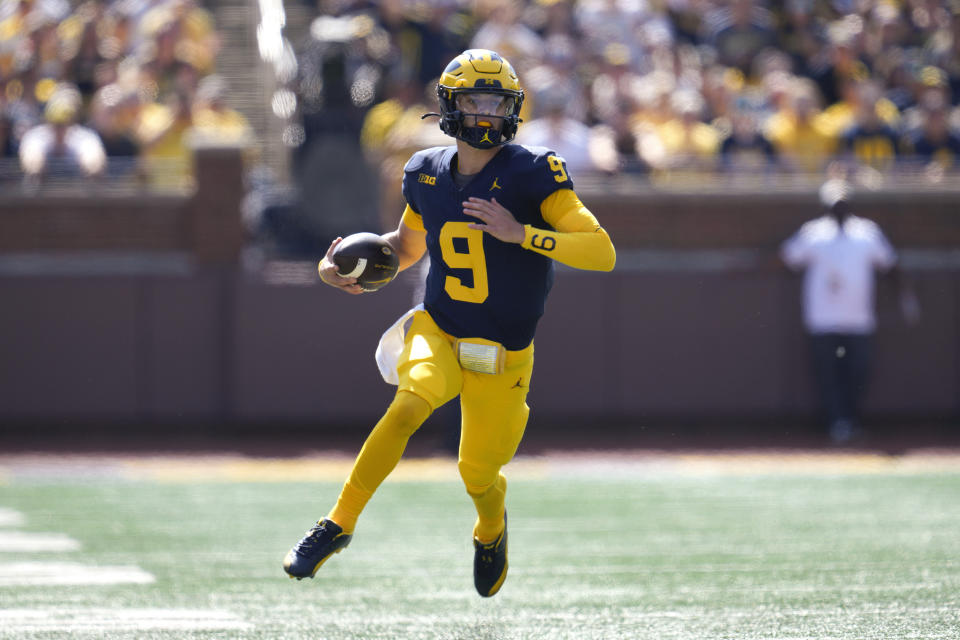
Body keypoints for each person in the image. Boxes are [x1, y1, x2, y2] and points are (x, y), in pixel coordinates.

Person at [283, 49, 616, 597]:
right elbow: (406, 248)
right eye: (474, 100)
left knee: (478, 474)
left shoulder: (534, 173)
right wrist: (345, 266)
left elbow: (600, 251)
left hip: (504, 351)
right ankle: (336, 524)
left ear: (511, 108)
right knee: (410, 403)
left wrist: (522, 234)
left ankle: (490, 529)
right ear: (450, 106)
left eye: (495, 101)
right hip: (439, 327)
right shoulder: (426, 172)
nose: (485, 113)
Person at [780, 179, 915, 444]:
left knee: (858, 373)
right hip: (823, 320)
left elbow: (890, 265)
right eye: (834, 201)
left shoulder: (867, 232)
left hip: (859, 319)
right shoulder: (813, 232)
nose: (839, 206)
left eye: (843, 200)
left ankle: (850, 422)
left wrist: (907, 296)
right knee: (827, 375)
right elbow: (787, 258)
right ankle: (835, 424)